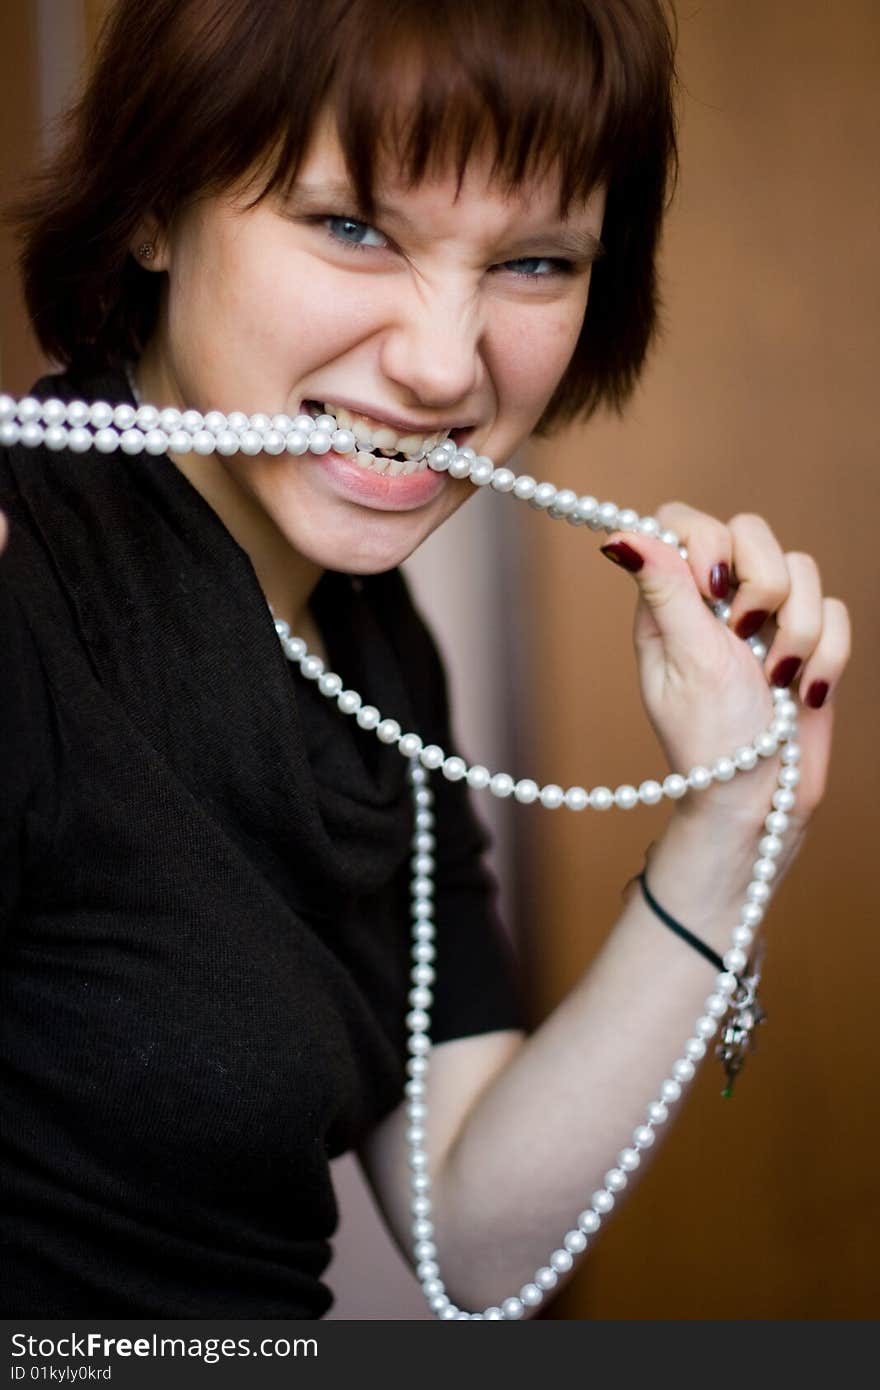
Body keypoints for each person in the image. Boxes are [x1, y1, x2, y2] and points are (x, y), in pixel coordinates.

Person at [0, 0, 851, 1319]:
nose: (446, 367)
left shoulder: (377, 655)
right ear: (154, 207)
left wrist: (740, 817)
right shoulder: (25, 576)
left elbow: (474, 1244)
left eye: (536, 264)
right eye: (352, 227)